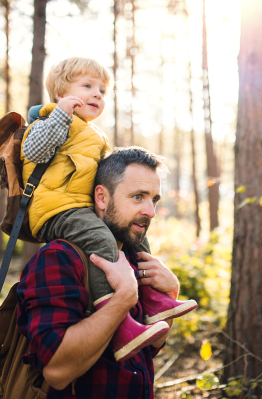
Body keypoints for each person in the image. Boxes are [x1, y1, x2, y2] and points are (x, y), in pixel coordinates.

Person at [20, 57, 197, 361]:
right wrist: (61, 114)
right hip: (55, 209)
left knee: (136, 236)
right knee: (102, 241)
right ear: (61, 91)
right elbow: (33, 151)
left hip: (81, 208)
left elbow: (110, 175)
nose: (98, 94)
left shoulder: (94, 135)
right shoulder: (51, 120)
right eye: (87, 86)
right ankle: (116, 315)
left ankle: (153, 302)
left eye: (102, 90)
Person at [17, 147, 184, 398]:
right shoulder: (59, 258)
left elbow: (148, 349)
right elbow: (57, 371)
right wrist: (122, 299)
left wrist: (168, 294)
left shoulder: (132, 257)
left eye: (154, 199)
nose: (150, 211)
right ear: (102, 198)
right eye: (138, 197)